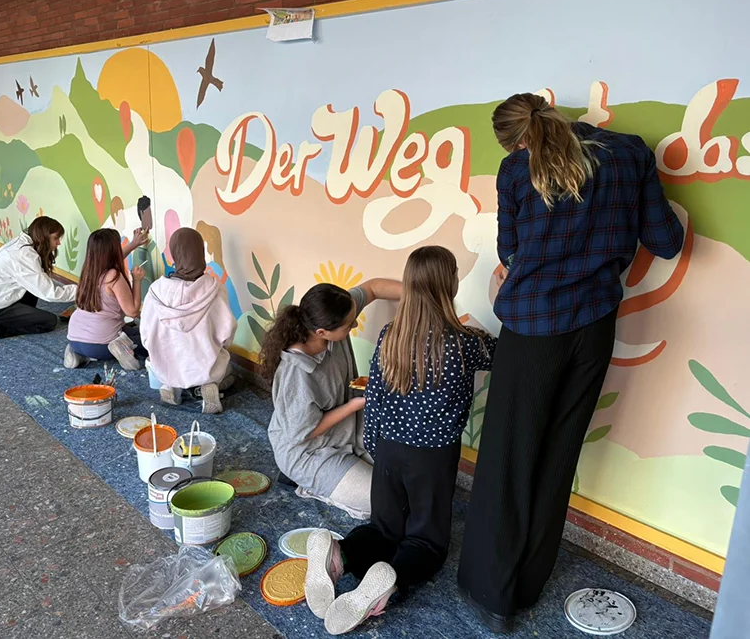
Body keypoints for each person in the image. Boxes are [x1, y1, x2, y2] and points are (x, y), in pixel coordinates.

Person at [457, 93, 685, 633]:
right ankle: (528, 583)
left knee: (509, 456)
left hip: (533, 329)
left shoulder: (517, 171)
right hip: (595, 327)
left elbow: (510, 251)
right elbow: (666, 242)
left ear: (517, 141)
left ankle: (493, 596)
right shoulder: (630, 153)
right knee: (559, 453)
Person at [303, 246, 495, 635]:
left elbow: (374, 396)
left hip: (388, 446)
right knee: (426, 541)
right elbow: (504, 354)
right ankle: (389, 583)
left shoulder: (390, 334)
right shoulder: (463, 342)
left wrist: (375, 446)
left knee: (384, 526)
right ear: (449, 283)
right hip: (432, 455)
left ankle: (341, 554)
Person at [261, 277, 401, 520]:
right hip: (309, 451)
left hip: (349, 432)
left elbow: (373, 288)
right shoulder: (297, 373)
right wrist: (355, 404)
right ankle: (310, 486)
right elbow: (306, 431)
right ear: (321, 332)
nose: (354, 324)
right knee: (386, 503)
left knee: (405, 482)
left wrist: (423, 295)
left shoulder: (336, 313)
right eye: (349, 326)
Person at [140, 227, 237, 414]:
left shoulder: (155, 291)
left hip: (165, 368)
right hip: (206, 368)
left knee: (170, 368)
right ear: (201, 252)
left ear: (174, 254)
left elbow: (145, 335)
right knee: (229, 371)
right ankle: (207, 387)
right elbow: (227, 334)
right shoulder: (215, 290)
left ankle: (171, 385)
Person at [0, 216, 77, 338]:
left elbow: (40, 283)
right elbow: (50, 293)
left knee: (33, 286)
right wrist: (83, 291)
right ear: (43, 237)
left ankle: (16, 318)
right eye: (55, 238)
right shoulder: (24, 255)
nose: (58, 243)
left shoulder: (23, 243)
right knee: (49, 321)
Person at [64, 228, 148, 371]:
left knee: (132, 331)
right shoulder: (113, 276)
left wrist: (133, 244)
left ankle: (78, 354)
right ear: (113, 251)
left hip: (74, 339)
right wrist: (137, 280)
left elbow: (113, 259)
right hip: (103, 346)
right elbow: (132, 311)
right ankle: (121, 346)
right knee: (149, 339)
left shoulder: (88, 271)